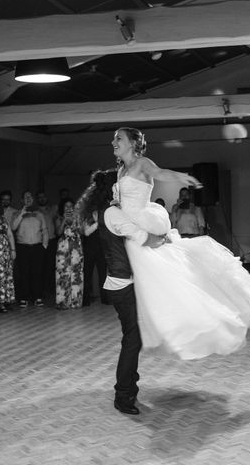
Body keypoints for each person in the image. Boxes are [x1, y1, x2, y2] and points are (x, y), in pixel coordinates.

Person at [109, 127, 250, 360]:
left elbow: (161, 172)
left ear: (133, 144)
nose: (113, 141)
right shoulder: (121, 169)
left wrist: (180, 177)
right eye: (114, 138)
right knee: (155, 287)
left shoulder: (141, 163)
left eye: (119, 138)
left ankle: (200, 319)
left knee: (169, 282)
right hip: (131, 229)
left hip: (143, 222)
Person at [77, 170, 167, 415]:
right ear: (112, 189)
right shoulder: (112, 213)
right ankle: (123, 394)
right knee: (132, 340)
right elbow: (142, 238)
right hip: (122, 285)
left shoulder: (108, 211)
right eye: (119, 186)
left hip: (122, 283)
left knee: (133, 338)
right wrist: (165, 239)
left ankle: (128, 389)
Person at [11, 191, 49, 307]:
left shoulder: (39, 214)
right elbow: (13, 227)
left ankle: (37, 296)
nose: (28, 198)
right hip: (22, 247)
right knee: (23, 273)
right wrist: (22, 213)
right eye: (25, 197)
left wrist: (44, 246)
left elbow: (45, 231)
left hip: (37, 247)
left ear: (33, 199)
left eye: (30, 197)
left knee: (37, 272)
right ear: (22, 200)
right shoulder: (17, 214)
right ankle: (24, 297)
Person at [54, 198, 84, 309]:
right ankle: (63, 301)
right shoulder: (59, 218)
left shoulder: (78, 217)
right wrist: (64, 221)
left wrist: (75, 221)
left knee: (76, 274)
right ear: (63, 208)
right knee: (63, 274)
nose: (69, 208)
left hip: (76, 248)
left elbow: (82, 232)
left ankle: (76, 301)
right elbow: (57, 232)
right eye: (66, 206)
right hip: (63, 249)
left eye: (71, 206)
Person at [36, 190, 57, 299]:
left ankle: (50, 290)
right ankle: (42, 291)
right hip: (40, 242)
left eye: (43, 197)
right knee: (41, 267)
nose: (42, 199)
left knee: (51, 266)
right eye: (39, 197)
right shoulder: (35, 211)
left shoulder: (52, 209)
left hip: (52, 240)